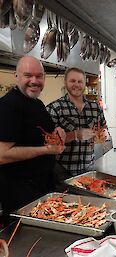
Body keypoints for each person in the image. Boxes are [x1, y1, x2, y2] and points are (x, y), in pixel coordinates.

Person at [0, 56, 65, 224]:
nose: (34, 81)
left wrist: (57, 131)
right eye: (28, 75)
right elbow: (2, 155)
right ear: (17, 76)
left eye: (39, 76)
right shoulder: (8, 106)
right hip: (21, 196)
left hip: (42, 188)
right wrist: (46, 150)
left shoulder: (37, 103)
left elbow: (38, 134)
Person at [46, 67, 109, 188]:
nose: (76, 85)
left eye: (80, 81)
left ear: (85, 83)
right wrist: (75, 135)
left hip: (89, 168)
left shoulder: (95, 107)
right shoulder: (54, 108)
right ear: (65, 82)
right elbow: (49, 144)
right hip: (62, 170)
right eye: (72, 81)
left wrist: (103, 135)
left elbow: (104, 128)